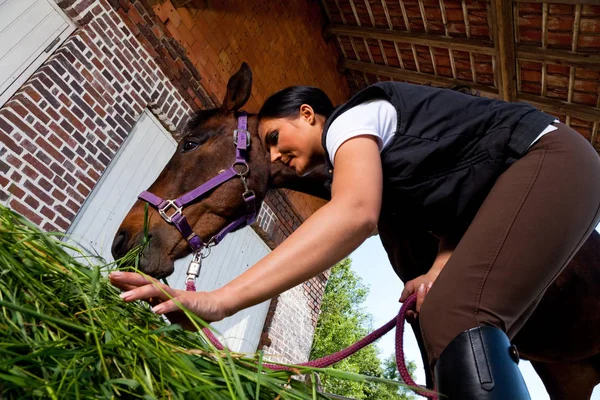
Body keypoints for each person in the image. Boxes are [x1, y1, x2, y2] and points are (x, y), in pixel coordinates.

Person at [110, 82, 600, 399]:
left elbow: (355, 214)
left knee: (459, 315)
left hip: (548, 158)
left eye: (277, 137)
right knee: (447, 310)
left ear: (309, 115)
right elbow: (464, 204)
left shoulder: (352, 120)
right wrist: (436, 268)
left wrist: (219, 300)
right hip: (528, 172)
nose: (275, 155)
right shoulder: (398, 175)